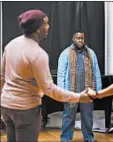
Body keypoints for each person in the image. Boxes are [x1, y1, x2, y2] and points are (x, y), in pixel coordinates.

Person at [0, 9, 91, 142]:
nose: (48, 27)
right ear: (38, 28)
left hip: (7, 106)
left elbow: (2, 77)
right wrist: (78, 97)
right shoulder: (38, 54)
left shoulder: (11, 45)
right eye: (46, 24)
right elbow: (49, 89)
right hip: (26, 109)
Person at [57, 30, 102, 142]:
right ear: (73, 39)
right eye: (78, 38)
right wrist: (61, 92)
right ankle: (65, 138)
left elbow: (96, 72)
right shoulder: (66, 53)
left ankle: (89, 138)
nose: (80, 40)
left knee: (87, 117)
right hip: (71, 92)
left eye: (82, 38)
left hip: (87, 92)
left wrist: (98, 90)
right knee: (68, 117)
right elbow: (61, 73)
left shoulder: (91, 53)